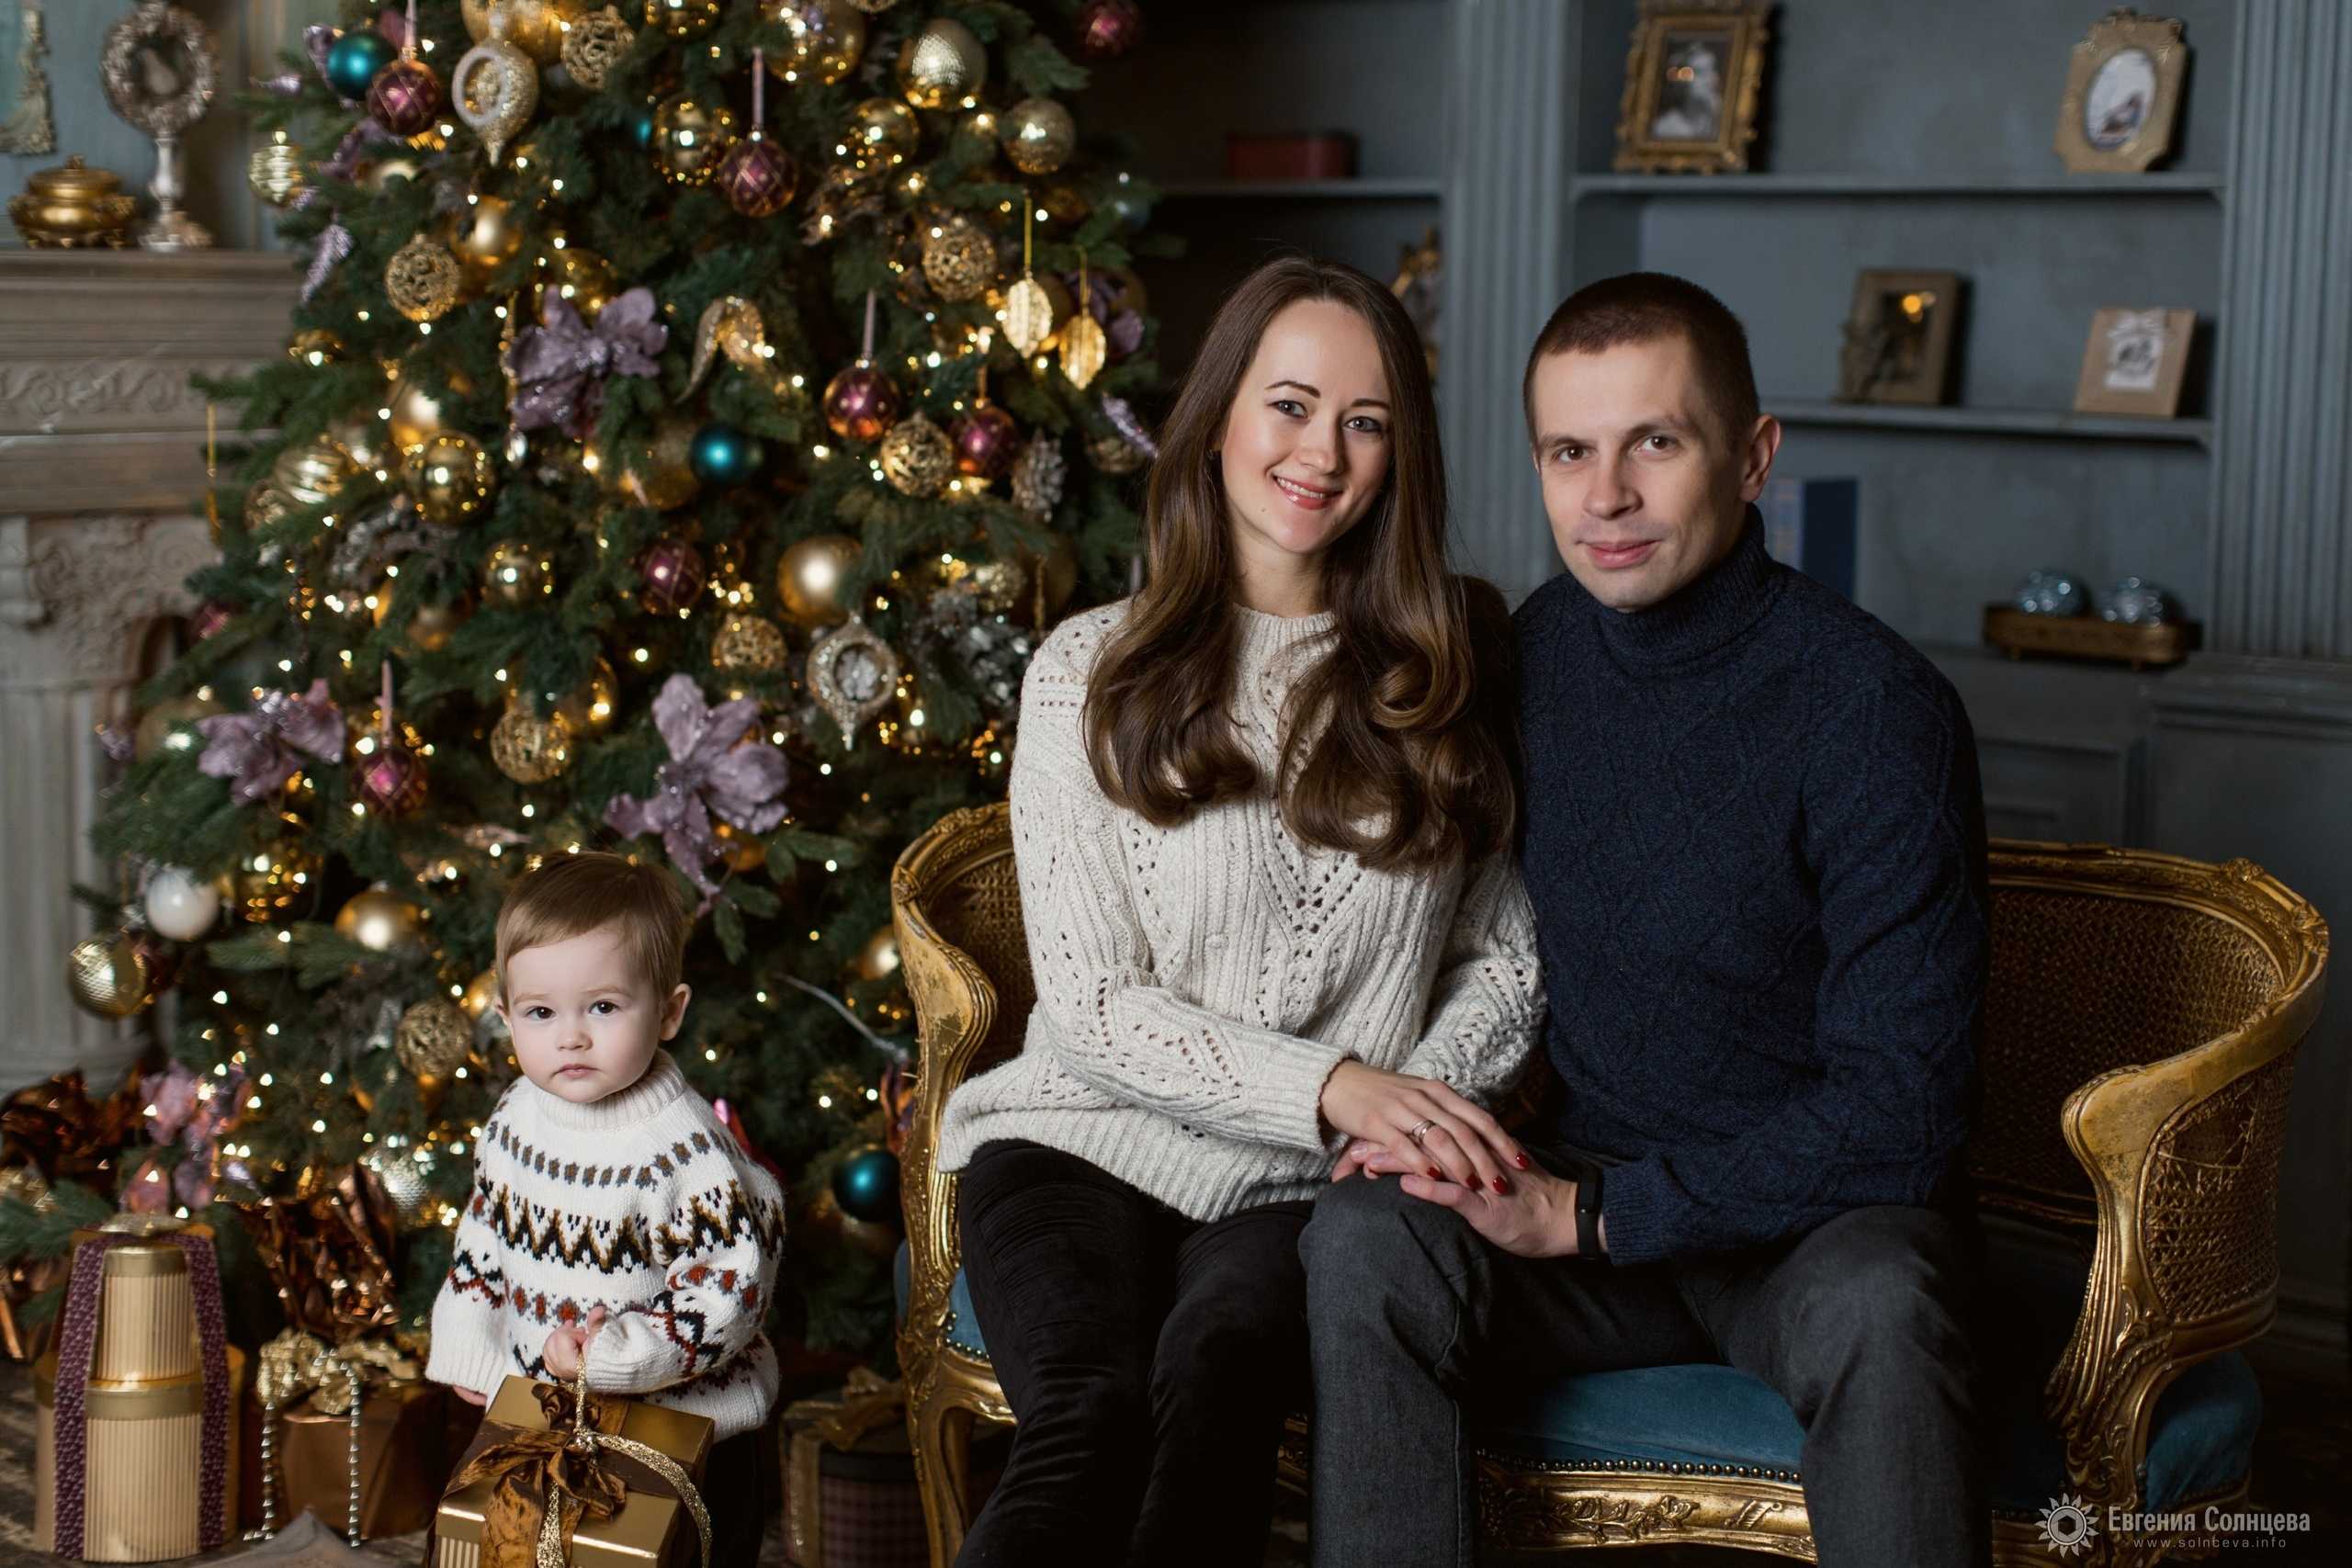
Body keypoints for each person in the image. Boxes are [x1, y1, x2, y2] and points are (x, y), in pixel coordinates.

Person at [1303, 272, 1990, 1568]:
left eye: (1654, 444)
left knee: (1888, 1303)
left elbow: (1905, 1108)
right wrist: (1430, 1117)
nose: (1605, 496)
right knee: (1367, 1234)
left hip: (1814, 1227)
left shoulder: (1875, 707)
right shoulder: (1529, 656)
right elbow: (1436, 927)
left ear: (1753, 457)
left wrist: (1602, 1213)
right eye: (1570, 451)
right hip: (1578, 1194)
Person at [935, 255, 1545, 1567]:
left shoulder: (1445, 670)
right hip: (1076, 1143)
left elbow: (1504, 957)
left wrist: (1409, 1114)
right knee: (1089, 1419)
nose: (1322, 451)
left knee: (1215, 1395)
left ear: (1401, 456)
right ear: (1217, 419)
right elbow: (1090, 1008)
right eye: (1290, 403)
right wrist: (1336, 1081)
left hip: (1301, 1189)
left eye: (1366, 421)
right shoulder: (1087, 670)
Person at [426, 852, 788, 1568]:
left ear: (669, 1010)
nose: (571, 1036)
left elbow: (731, 1290)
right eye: (540, 1012)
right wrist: (473, 1341)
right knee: (536, 1546)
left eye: (603, 1006)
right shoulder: (514, 1119)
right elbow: (484, 1237)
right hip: (554, 1417)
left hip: (693, 1434)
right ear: (505, 1017)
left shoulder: (682, 1155)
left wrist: (617, 1352)